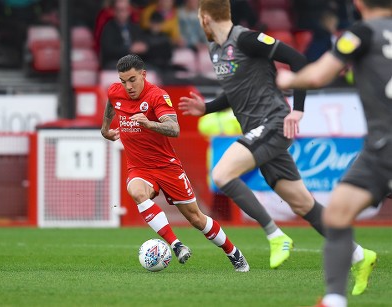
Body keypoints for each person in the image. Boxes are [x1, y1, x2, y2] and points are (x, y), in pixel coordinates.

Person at [178, 0, 375, 290]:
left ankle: (275, 235)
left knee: (221, 175)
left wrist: (298, 109)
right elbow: (234, 92)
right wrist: (206, 108)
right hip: (257, 129)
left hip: (274, 122)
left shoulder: (247, 38)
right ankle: (360, 255)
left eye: (199, 19)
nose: (199, 25)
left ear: (206, 18)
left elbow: (298, 60)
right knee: (303, 204)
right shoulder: (216, 50)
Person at [276, 0, 390, 305]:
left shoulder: (359, 34)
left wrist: (289, 80)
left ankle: (335, 299)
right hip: (382, 148)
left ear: (358, 4)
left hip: (385, 146)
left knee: (338, 214)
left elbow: (317, 76)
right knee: (339, 209)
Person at [101, 54, 250, 272]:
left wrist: (149, 123)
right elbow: (111, 103)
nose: (128, 86)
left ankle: (233, 253)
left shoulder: (157, 96)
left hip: (167, 167)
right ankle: (176, 244)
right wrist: (105, 129)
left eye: (132, 79)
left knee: (196, 219)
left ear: (143, 74)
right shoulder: (116, 91)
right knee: (136, 191)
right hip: (139, 167)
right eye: (124, 81)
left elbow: (174, 129)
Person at [99, 0, 147, 69]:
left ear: (129, 10)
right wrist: (129, 49)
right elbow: (108, 50)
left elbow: (143, 43)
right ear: (114, 11)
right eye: (118, 10)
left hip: (134, 63)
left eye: (124, 9)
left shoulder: (135, 27)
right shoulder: (108, 28)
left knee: (151, 69)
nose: (121, 13)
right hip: (115, 63)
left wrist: (143, 47)